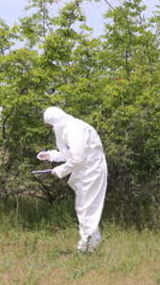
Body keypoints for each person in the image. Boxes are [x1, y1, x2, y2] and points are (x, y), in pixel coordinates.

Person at [38, 106, 108, 253]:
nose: (51, 128)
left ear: (55, 121)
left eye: (50, 125)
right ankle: (91, 244)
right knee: (85, 208)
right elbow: (70, 154)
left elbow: (78, 158)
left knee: (87, 208)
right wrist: (51, 156)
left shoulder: (75, 129)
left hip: (91, 172)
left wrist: (59, 170)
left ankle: (87, 247)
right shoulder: (67, 128)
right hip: (85, 172)